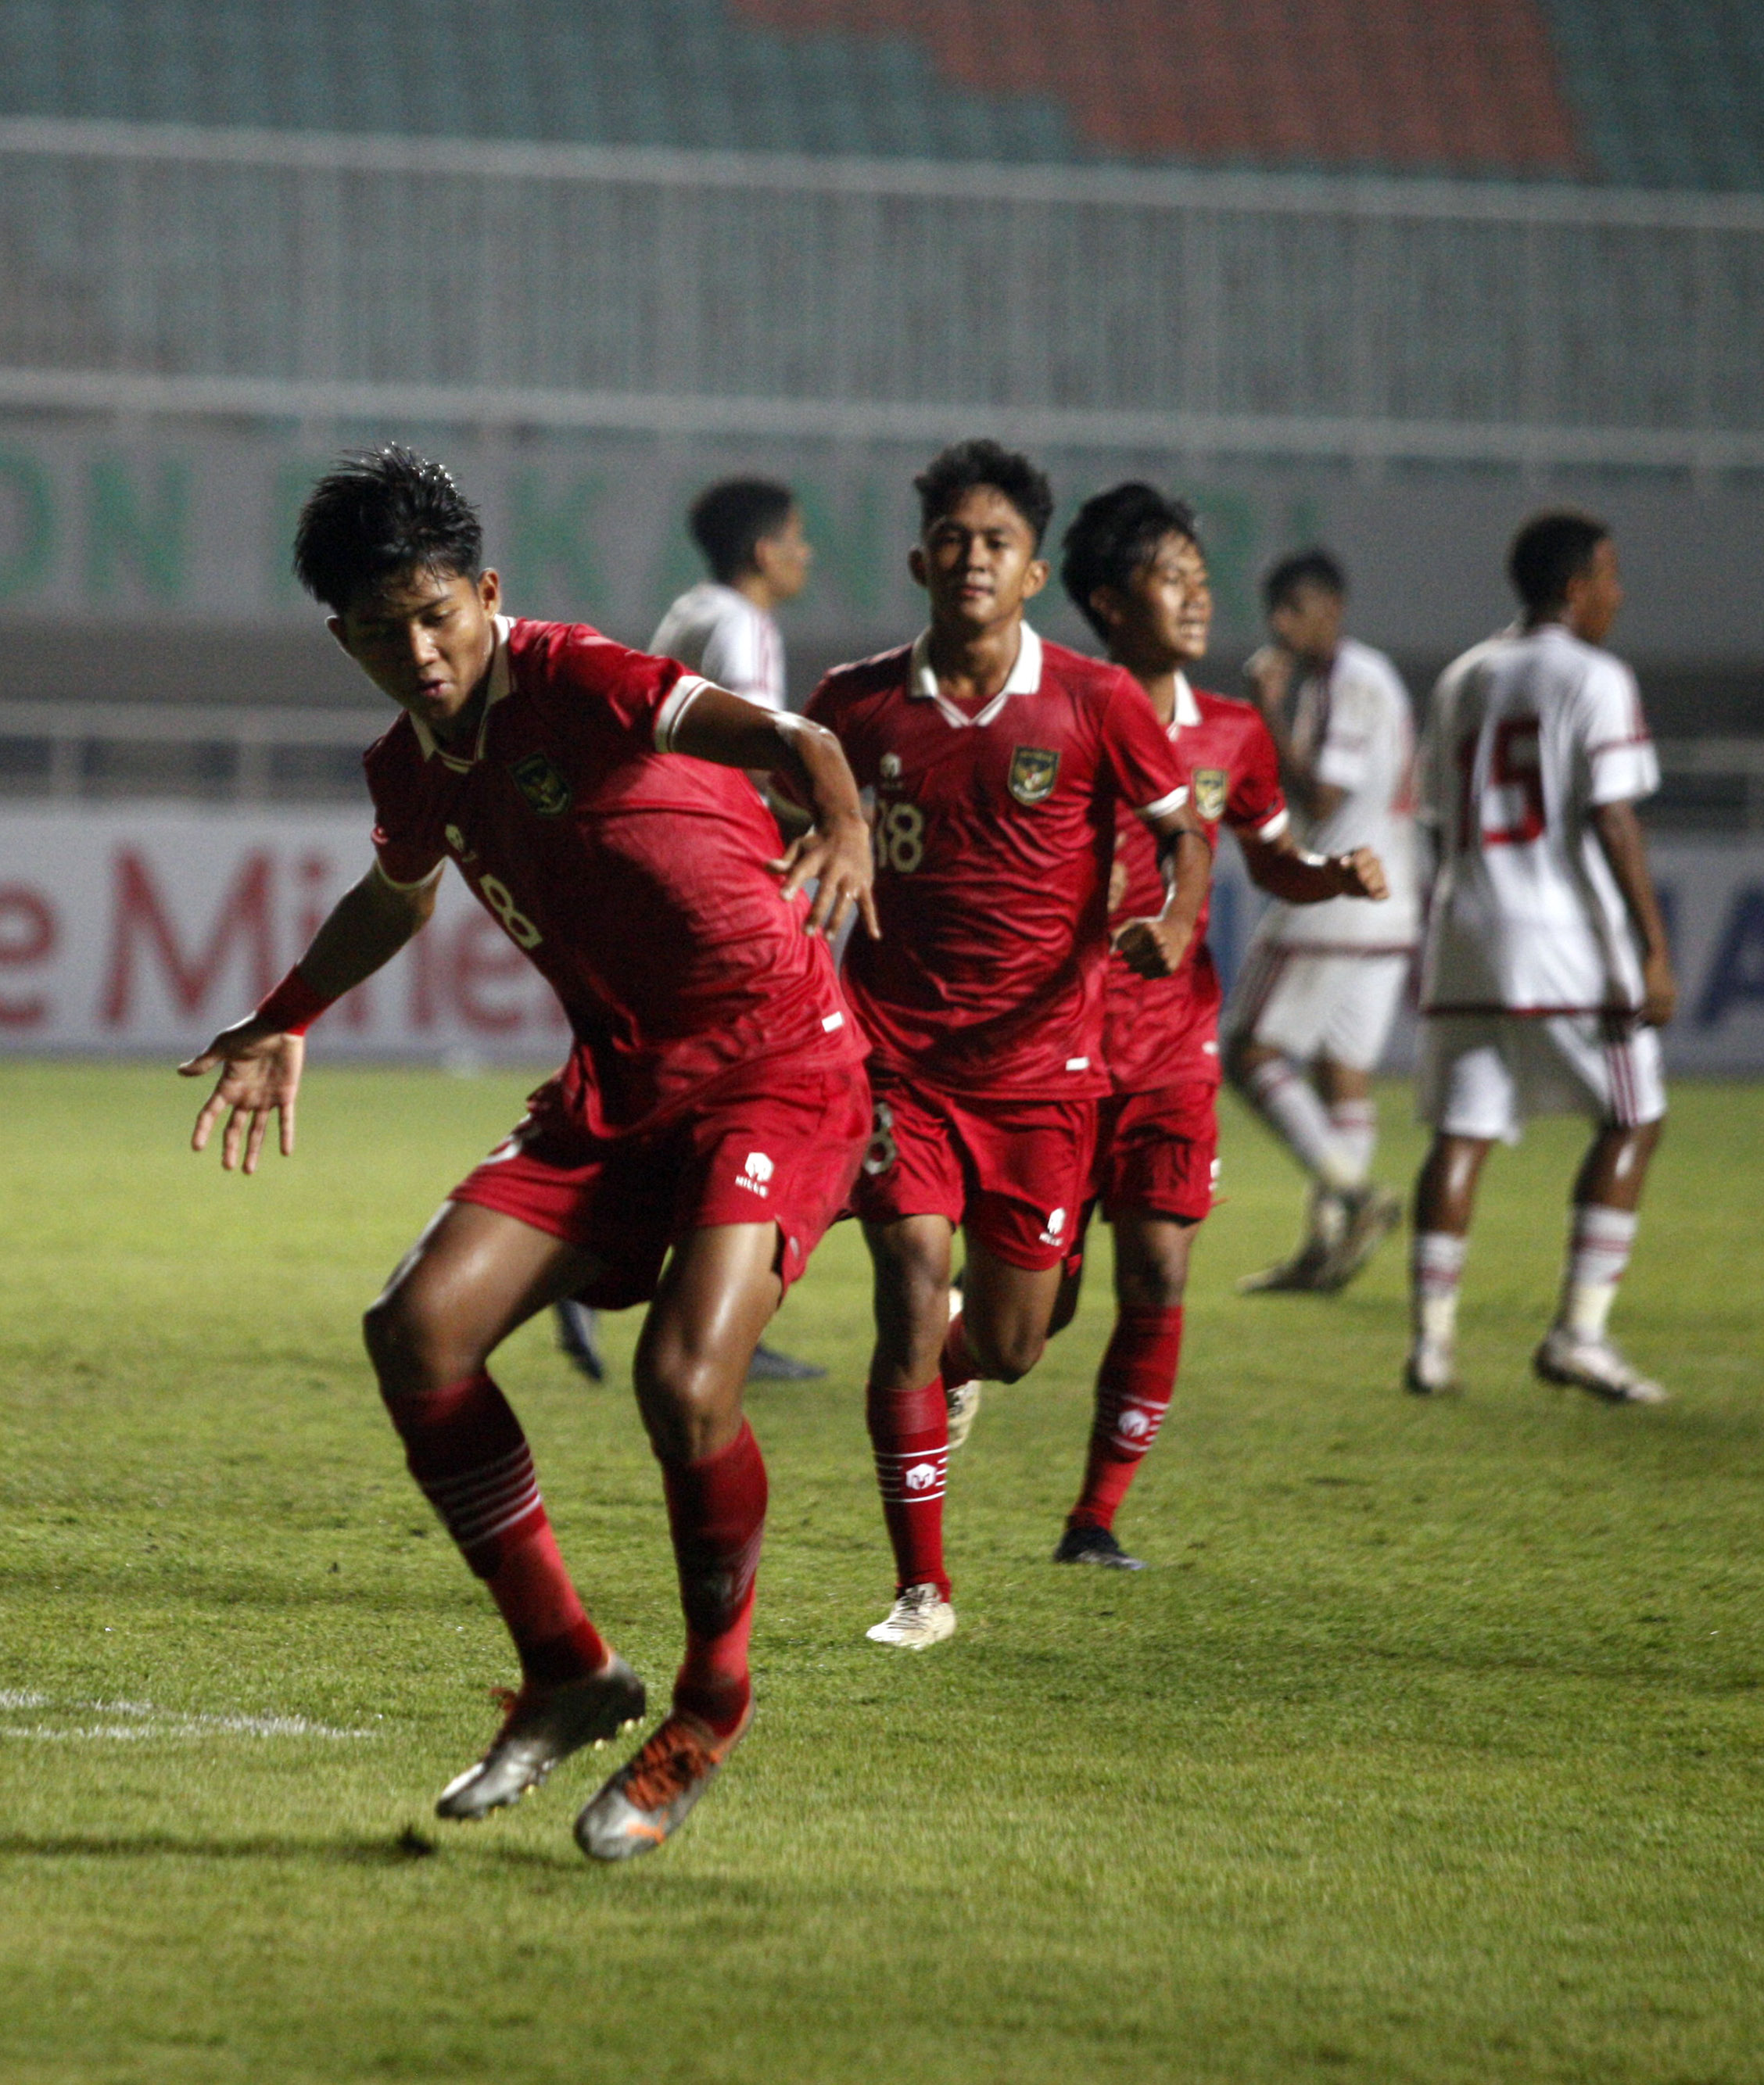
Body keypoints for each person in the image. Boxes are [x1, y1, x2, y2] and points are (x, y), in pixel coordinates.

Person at [180, 447, 876, 1864]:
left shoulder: (582, 679)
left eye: (438, 614)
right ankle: (566, 1667)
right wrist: (283, 1014)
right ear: (344, 638)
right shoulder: (409, 765)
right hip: (618, 1081)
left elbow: (801, 743)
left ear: (487, 593)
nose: (419, 653)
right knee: (417, 1329)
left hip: (776, 1064)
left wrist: (848, 825)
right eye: (382, 634)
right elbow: (397, 898)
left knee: (684, 1383)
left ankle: (711, 1701)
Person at [801, 441, 1208, 1650]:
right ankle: (922, 1588)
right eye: (956, 540)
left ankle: (961, 1365)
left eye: (999, 544)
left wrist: (1175, 922)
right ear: (921, 556)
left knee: (1022, 1342)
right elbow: (793, 825)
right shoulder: (853, 702)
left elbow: (1184, 830)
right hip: (898, 1054)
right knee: (910, 1283)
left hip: (1043, 1071)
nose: (974, 559)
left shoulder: (1095, 700)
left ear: (1032, 571)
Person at [1039, 486, 1387, 1568]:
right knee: (1032, 1316)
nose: (1198, 596)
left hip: (1171, 1045)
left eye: (1199, 575)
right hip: (1051, 1043)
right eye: (1170, 577)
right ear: (1107, 600)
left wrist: (1325, 876)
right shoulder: (1053, 706)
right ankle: (951, 1369)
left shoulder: (1231, 729)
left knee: (1161, 1270)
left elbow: (1267, 849)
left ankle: (1094, 1518)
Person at [543, 476, 828, 1392]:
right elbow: (747, 761)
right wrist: (824, 833)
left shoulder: (688, 612)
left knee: (686, 1087)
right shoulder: (740, 628)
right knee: (777, 1081)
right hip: (709, 887)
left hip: (652, 872)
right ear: (761, 551)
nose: (805, 553)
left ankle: (672, 1290)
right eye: (795, 537)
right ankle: (595, 1260)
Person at [1404, 511, 1673, 1403]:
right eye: (1610, 575)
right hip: (1563, 939)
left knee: (1463, 1133)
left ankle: (1431, 1345)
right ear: (1574, 586)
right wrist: (1652, 947)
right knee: (1635, 1118)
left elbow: (1436, 821)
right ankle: (1578, 1335)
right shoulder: (1594, 677)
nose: (1617, 593)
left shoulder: (1461, 677)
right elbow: (1611, 815)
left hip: (1466, 925)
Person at [1228, 549, 1423, 1293]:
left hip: (1337, 892)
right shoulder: (1361, 680)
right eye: (1275, 610)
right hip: (1392, 903)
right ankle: (1327, 1247)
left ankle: (1352, 1193)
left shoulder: (1348, 680)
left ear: (1330, 608)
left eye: (1293, 609)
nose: (1279, 626)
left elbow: (1324, 799)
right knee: (1343, 1076)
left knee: (1250, 1052)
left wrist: (1265, 711)